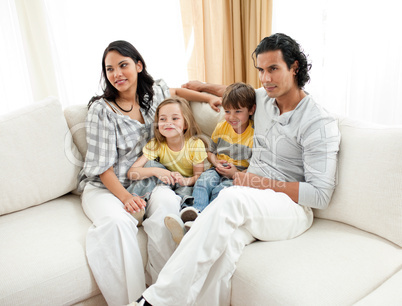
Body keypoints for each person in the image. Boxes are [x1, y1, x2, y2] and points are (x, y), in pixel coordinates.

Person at [130, 33, 341, 306]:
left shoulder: (318, 123)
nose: (265, 79)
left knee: (230, 198)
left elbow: (321, 195)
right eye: (261, 70)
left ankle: (153, 301)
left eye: (273, 69)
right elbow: (234, 91)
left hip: (291, 208)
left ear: (295, 68)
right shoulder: (263, 100)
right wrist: (203, 86)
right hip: (251, 196)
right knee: (223, 249)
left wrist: (255, 181)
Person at [77, 40, 222, 306]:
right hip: (106, 186)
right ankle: (132, 301)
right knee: (119, 224)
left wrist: (209, 97)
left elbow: (176, 92)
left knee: (169, 207)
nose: (117, 74)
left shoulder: (152, 94)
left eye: (123, 65)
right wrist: (124, 198)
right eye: (110, 69)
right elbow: (102, 168)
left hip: (150, 179)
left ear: (138, 66)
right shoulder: (101, 110)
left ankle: (166, 296)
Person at [166, 82, 256, 241]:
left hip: (238, 176)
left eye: (238, 111)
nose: (231, 117)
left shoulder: (254, 135)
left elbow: (256, 166)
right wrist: (216, 163)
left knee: (221, 191)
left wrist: (236, 173)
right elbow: (210, 152)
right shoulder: (222, 127)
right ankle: (195, 214)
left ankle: (206, 222)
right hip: (217, 168)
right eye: (227, 111)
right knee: (202, 182)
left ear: (251, 110)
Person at [126, 97, 208, 244]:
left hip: (184, 185)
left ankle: (184, 223)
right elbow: (132, 172)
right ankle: (138, 205)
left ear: (185, 123)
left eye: (175, 118)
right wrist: (157, 172)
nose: (168, 123)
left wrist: (186, 180)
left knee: (195, 190)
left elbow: (199, 176)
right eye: (163, 119)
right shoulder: (156, 145)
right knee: (151, 165)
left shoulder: (195, 144)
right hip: (165, 181)